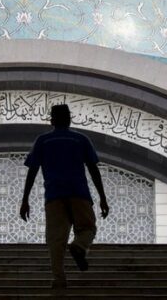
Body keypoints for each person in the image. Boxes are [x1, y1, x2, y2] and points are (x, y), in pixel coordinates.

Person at [20, 103, 109, 289]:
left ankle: (59, 279)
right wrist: (102, 197)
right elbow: (93, 169)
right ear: (69, 119)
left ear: (51, 120)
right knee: (87, 228)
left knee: (56, 239)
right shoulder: (80, 139)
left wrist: (25, 200)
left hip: (54, 195)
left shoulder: (43, 141)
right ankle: (79, 246)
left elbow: (33, 170)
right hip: (79, 193)